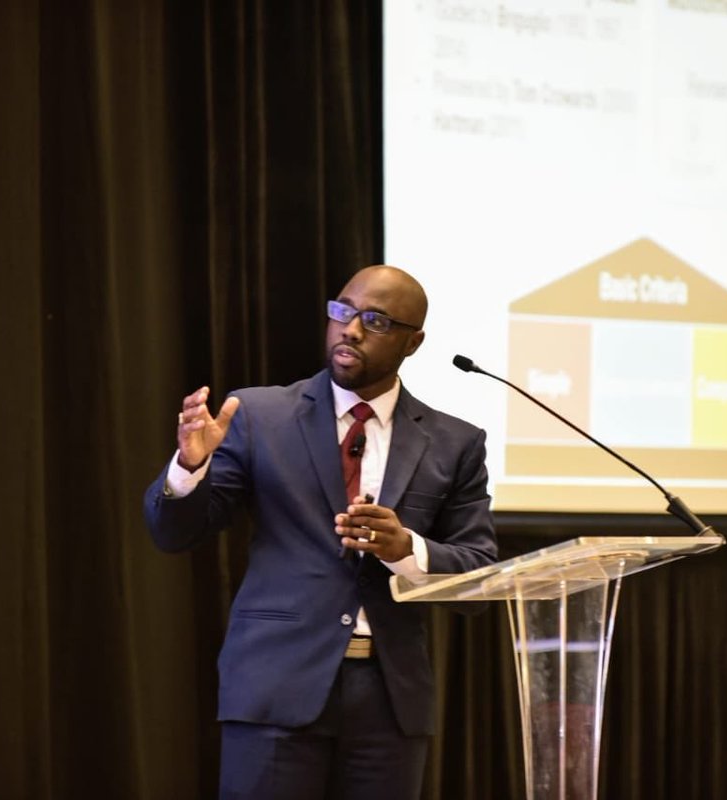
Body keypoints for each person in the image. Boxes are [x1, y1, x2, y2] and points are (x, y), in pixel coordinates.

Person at [143, 265, 498, 800]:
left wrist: (407, 551)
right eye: (342, 311)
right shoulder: (261, 415)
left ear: (413, 342)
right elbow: (176, 534)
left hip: (390, 700)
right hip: (275, 685)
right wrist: (188, 469)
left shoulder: (455, 443)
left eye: (375, 320)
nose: (350, 330)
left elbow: (479, 579)